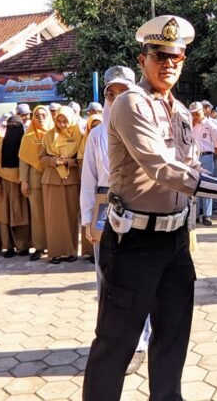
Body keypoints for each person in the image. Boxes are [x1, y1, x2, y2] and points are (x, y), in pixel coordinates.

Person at [82, 15, 217, 400]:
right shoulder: (131, 103)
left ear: (183, 61)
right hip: (134, 241)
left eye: (175, 57)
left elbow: (191, 166)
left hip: (175, 241)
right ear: (142, 58)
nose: (168, 65)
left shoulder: (179, 111)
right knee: (116, 345)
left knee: (172, 342)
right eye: (158, 56)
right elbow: (160, 168)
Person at [80, 65, 152, 374]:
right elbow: (89, 179)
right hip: (105, 210)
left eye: (123, 93)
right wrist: (86, 219)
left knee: (141, 280)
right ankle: (112, 340)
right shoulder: (96, 135)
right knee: (107, 279)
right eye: (111, 94)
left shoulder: (148, 127)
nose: (116, 99)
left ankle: (139, 343)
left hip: (141, 209)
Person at [40, 106, 85, 263]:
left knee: (71, 216)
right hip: (52, 179)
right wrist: (54, 161)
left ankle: (71, 251)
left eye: (65, 121)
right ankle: (55, 252)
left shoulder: (79, 136)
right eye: (59, 121)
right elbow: (42, 157)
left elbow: (82, 158)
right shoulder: (49, 135)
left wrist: (69, 162)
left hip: (71, 179)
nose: (62, 124)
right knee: (53, 217)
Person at [0, 116, 32, 257]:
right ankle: (8, 246)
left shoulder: (26, 144)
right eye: (10, 125)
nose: (13, 128)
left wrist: (26, 181)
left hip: (22, 185)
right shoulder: (0, 145)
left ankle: (23, 246)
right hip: (4, 185)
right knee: (4, 217)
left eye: (16, 125)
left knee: (22, 216)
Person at [19, 105, 54, 261]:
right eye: (37, 115)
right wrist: (24, 181)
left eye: (43, 115)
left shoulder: (55, 133)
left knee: (54, 213)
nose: (40, 118)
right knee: (38, 215)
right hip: (35, 179)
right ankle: (40, 246)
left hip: (54, 177)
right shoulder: (28, 137)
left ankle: (56, 245)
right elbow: (24, 161)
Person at [190, 101, 217, 226]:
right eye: (193, 113)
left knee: (207, 185)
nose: (195, 116)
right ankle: (195, 214)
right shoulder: (190, 124)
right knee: (193, 185)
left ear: (202, 110)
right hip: (193, 158)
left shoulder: (210, 125)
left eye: (197, 113)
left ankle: (207, 215)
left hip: (207, 156)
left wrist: (212, 156)